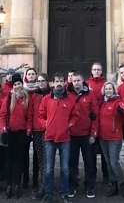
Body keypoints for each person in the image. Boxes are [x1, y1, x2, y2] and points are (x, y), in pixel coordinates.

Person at [38, 72, 78, 203]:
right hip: (49, 138)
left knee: (65, 169)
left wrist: (69, 125)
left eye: (61, 81)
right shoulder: (46, 99)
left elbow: (75, 116)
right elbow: (41, 115)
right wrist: (46, 125)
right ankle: (48, 193)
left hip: (65, 138)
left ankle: (64, 192)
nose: (59, 83)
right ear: (53, 83)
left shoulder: (70, 99)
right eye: (57, 81)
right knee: (49, 169)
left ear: (65, 82)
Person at [0, 73, 32, 199]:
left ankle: (17, 184)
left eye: (19, 84)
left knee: (19, 161)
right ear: (13, 86)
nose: (18, 86)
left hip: (21, 133)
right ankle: (9, 184)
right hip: (10, 133)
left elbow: (29, 117)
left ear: (21, 84)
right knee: (9, 161)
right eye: (15, 84)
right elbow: (2, 116)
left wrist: (28, 133)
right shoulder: (8, 99)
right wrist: (3, 131)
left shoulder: (26, 98)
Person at [67, 71, 99, 199]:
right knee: (72, 163)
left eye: (78, 80)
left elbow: (95, 115)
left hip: (86, 134)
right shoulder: (67, 94)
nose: (76, 83)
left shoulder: (90, 95)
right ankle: (72, 186)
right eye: (74, 81)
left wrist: (93, 134)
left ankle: (89, 186)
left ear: (82, 80)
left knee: (89, 162)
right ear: (71, 82)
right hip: (72, 135)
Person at [99, 81, 124, 199]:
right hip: (103, 137)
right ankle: (114, 184)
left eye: (110, 89)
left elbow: (123, 111)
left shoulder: (118, 102)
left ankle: (122, 185)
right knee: (108, 162)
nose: (108, 90)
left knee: (114, 162)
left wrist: (122, 111)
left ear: (113, 90)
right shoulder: (102, 103)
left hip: (115, 137)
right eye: (106, 89)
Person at [86, 62, 109, 182]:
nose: (96, 71)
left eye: (98, 69)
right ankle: (92, 174)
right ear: (91, 71)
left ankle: (106, 174)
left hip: (104, 120)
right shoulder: (87, 84)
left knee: (105, 150)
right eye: (94, 69)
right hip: (91, 121)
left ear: (101, 71)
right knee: (91, 151)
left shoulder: (106, 84)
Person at [32, 73, 52, 201]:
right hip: (37, 131)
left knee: (47, 161)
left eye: (43, 81)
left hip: (48, 130)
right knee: (41, 160)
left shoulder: (52, 95)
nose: (40, 83)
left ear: (47, 82)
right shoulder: (33, 95)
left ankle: (45, 187)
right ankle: (43, 184)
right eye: (38, 81)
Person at [23, 67, 40, 189]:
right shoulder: (21, 89)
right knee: (24, 155)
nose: (31, 76)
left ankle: (35, 179)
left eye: (33, 74)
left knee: (37, 155)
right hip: (24, 126)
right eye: (29, 74)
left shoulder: (40, 90)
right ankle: (25, 179)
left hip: (37, 126)